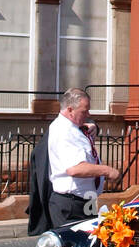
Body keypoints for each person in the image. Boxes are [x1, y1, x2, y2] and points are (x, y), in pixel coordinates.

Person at [46, 88, 121, 228]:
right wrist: (106, 170)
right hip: (72, 204)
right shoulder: (65, 131)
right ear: (70, 110)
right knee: (76, 246)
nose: (88, 114)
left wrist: (93, 127)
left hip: (87, 199)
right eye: (84, 111)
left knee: (93, 241)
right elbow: (75, 169)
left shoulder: (74, 126)